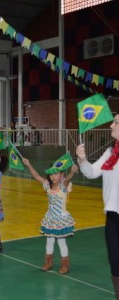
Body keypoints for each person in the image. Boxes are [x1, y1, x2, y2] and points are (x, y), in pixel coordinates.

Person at [76, 114, 119, 298]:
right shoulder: (110, 153)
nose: (111, 125)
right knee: (115, 260)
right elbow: (92, 173)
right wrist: (83, 160)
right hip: (112, 215)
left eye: (116, 122)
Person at [22, 158, 78, 274]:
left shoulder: (63, 186)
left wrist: (72, 171)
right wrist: (29, 164)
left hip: (61, 219)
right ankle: (48, 262)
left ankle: (65, 264)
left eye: (56, 174)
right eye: (51, 174)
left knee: (61, 242)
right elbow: (37, 176)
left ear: (61, 174)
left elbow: (67, 180)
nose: (53, 176)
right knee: (49, 241)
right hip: (50, 218)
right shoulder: (47, 185)